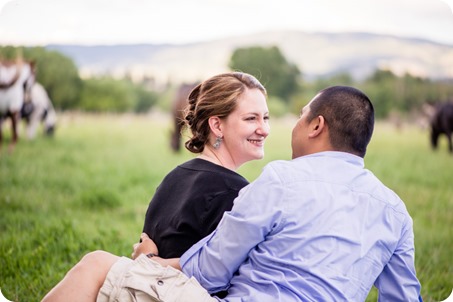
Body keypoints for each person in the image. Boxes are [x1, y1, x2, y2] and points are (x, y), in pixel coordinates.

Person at [44, 85, 423, 302]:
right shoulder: (395, 211)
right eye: (254, 118)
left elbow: (211, 272)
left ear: (316, 125)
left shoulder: (280, 180)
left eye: (297, 115)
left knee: (96, 263)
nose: (271, 129)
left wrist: (152, 263)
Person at [41, 71, 270, 301]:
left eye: (266, 118)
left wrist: (147, 260)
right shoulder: (235, 194)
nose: (264, 129)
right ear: (217, 126)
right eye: (251, 118)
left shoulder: (175, 176)